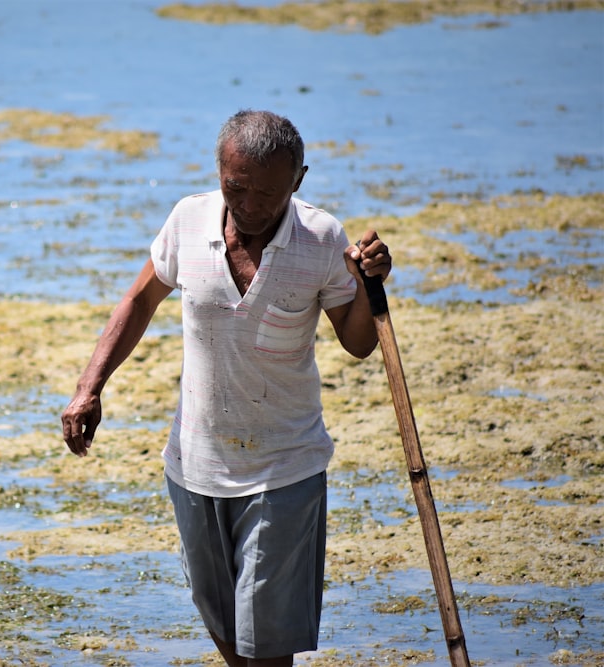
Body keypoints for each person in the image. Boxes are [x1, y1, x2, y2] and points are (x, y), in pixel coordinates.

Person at [60, 109, 391, 666]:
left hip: (284, 467)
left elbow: (358, 343)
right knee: (231, 638)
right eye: (236, 188)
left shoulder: (320, 239)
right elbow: (140, 301)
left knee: (266, 648)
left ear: (298, 181)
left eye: (269, 193)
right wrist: (89, 386)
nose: (251, 205)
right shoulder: (189, 221)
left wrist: (368, 286)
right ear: (219, 171)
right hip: (195, 465)